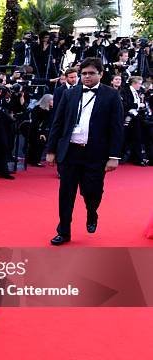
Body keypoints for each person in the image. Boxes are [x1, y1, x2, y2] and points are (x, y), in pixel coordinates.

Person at [46, 57, 124, 245]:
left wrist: (114, 156)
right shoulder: (69, 94)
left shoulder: (112, 95)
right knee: (66, 193)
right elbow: (57, 122)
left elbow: (117, 128)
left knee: (92, 192)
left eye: (91, 73)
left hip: (95, 154)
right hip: (70, 151)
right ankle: (63, 231)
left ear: (101, 74)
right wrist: (51, 149)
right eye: (84, 74)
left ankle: (91, 212)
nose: (87, 77)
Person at [27, 94, 53, 167]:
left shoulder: (47, 109)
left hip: (40, 130)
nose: (53, 102)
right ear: (47, 101)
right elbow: (36, 121)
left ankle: (32, 160)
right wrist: (41, 132)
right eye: (52, 100)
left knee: (36, 145)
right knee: (37, 145)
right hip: (36, 130)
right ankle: (35, 160)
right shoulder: (39, 109)